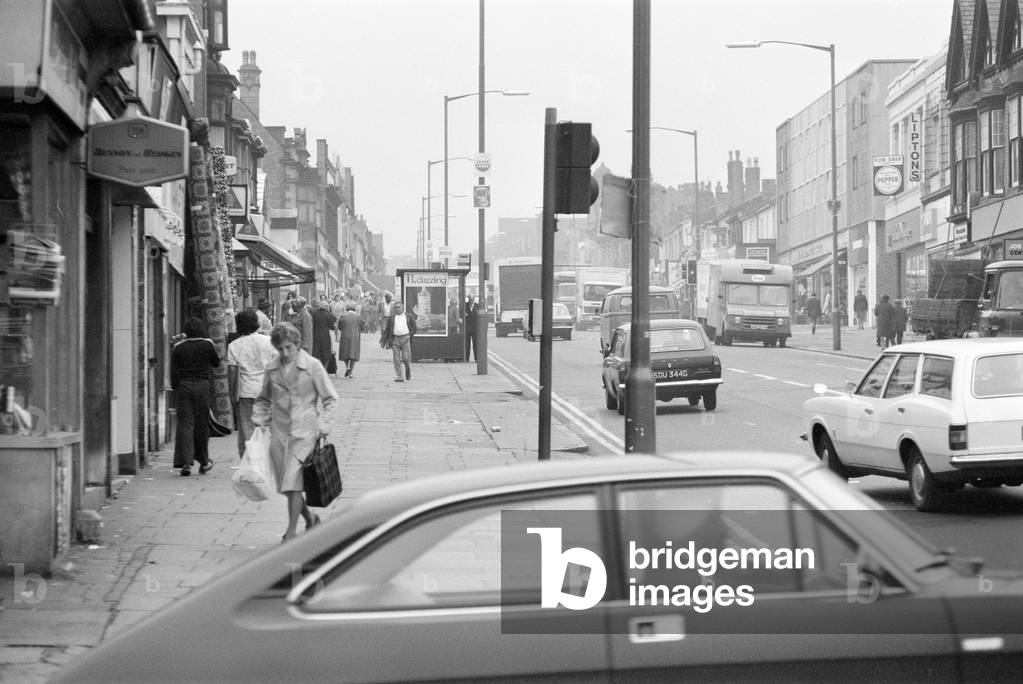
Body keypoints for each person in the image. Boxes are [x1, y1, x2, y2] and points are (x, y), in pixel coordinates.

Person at [252, 323, 338, 543]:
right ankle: (310, 519)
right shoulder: (272, 368)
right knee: (287, 487)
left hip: (305, 433)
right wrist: (260, 420)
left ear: (298, 345)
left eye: (289, 347)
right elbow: (263, 399)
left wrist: (324, 425)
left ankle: (290, 533)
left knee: (292, 482)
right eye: (280, 349)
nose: (285, 353)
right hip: (279, 434)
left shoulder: (313, 366)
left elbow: (330, 399)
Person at [170, 317, 220, 476]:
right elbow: (216, 363)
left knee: (185, 424)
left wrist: (177, 388)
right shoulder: (208, 344)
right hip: (202, 387)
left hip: (184, 387)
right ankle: (204, 461)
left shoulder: (178, 347)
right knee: (201, 424)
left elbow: (174, 373)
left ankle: (186, 462)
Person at [227, 309, 278, 459]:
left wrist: (231, 395)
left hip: (246, 391)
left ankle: (251, 462)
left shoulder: (234, 345)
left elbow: (231, 372)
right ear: (256, 323)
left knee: (247, 430)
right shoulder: (268, 342)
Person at [381, 300, 417, 382]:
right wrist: (383, 341)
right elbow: (387, 330)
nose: (397, 309)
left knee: (405, 358)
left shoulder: (408, 316)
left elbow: (414, 327)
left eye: (399, 307)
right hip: (395, 339)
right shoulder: (392, 317)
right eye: (395, 307)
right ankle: (400, 376)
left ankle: (407, 367)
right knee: (396, 359)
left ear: (402, 308)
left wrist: (410, 335)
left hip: (405, 339)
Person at [337, 302, 365, 377]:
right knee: (353, 353)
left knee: (345, 352)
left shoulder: (343, 316)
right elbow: (362, 325)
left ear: (347, 309)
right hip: (355, 336)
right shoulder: (358, 316)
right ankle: (351, 372)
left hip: (345, 335)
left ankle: (347, 367)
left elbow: (339, 327)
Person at [310, 299, 337, 369]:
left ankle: (318, 368)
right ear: (326, 307)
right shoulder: (328, 314)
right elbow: (332, 327)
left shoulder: (314, 313)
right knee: (326, 353)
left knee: (316, 353)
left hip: (315, 335)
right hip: (325, 336)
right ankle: (324, 368)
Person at [465, 295, 479, 362]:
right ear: (468, 299)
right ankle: (466, 358)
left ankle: (476, 358)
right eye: (470, 299)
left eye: (472, 299)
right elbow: (462, 314)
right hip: (467, 328)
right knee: (467, 344)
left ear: (474, 299)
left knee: (475, 343)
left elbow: (479, 317)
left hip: (475, 328)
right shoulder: (465, 305)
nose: (471, 300)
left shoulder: (477, 306)